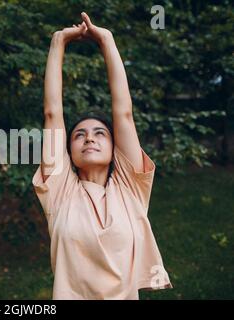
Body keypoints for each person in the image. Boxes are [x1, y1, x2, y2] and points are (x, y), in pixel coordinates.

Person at [32, 12, 172, 300]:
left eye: (100, 133)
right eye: (79, 135)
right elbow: (52, 112)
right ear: (68, 151)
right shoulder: (59, 190)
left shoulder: (130, 187)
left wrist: (106, 40)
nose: (90, 138)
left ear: (114, 149)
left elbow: (123, 114)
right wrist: (58, 42)